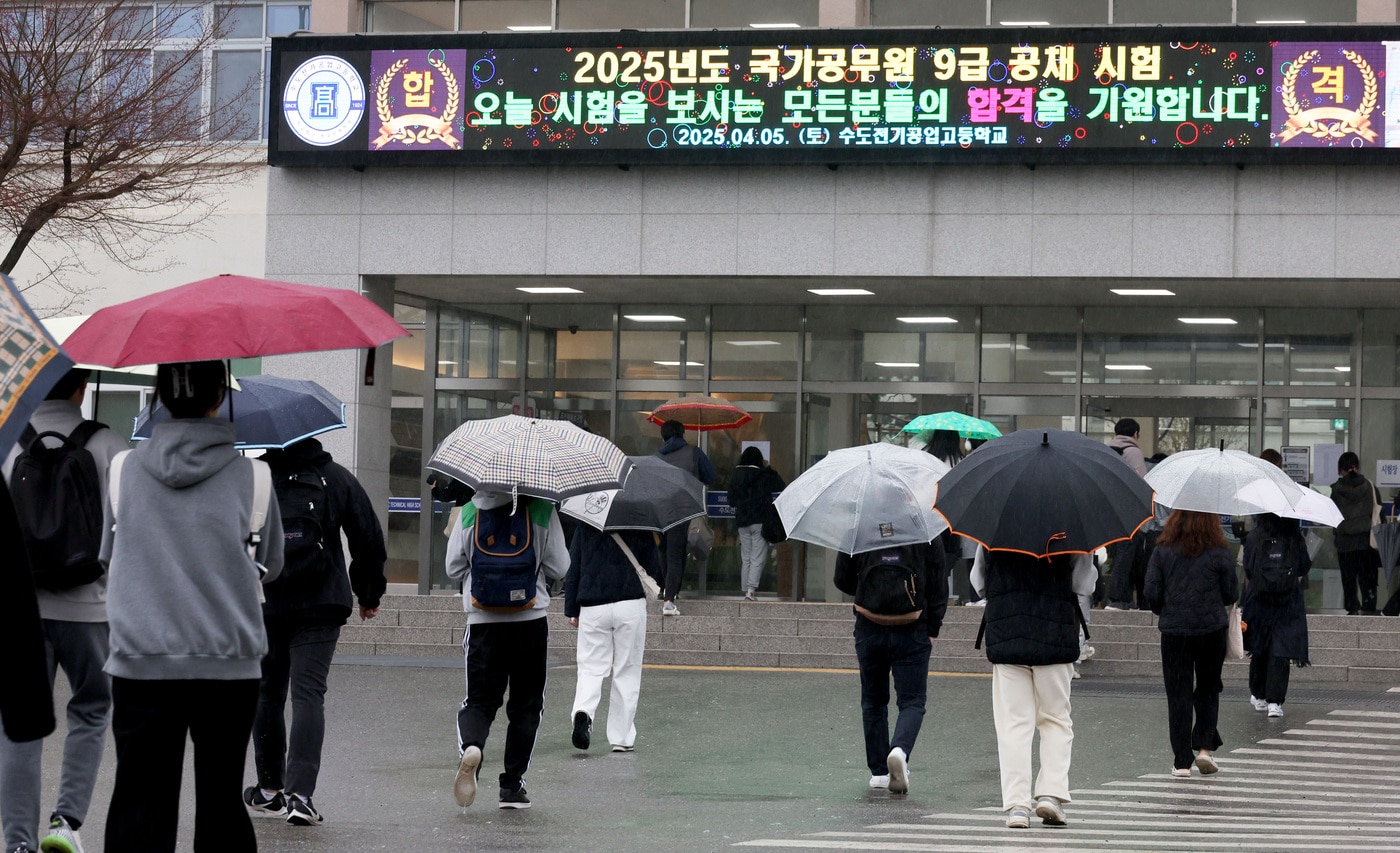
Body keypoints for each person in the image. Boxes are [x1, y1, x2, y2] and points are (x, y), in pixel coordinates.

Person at [100, 360, 284, 852]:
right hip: (229, 663)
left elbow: (106, 557)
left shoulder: (122, 472)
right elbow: (273, 564)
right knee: (222, 801)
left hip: (141, 659)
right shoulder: (255, 478)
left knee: (139, 799)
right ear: (218, 397)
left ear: (159, 396)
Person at [1, 368, 128, 853]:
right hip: (90, 607)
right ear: (82, 388)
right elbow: (126, 530)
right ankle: (65, 823)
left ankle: (17, 842)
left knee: (18, 719)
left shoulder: (8, 442)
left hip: (21, 609)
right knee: (92, 710)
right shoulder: (109, 444)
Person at [243, 437, 388, 826]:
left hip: (264, 600)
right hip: (322, 601)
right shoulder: (334, 477)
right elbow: (367, 537)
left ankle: (270, 789)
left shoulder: (256, 478)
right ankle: (300, 796)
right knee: (309, 693)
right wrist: (368, 592)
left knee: (267, 694)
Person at [449, 490, 568, 810]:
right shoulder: (543, 509)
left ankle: (472, 747)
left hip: (482, 621)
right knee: (527, 705)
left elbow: (452, 567)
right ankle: (512, 786)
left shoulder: (471, 509)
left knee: (479, 701)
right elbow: (560, 566)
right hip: (530, 620)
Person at [972, 547, 1093, 829]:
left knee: (1014, 724)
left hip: (1007, 632)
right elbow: (1083, 584)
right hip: (1054, 632)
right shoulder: (1070, 524)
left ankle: (1017, 805)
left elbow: (979, 583)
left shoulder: (995, 524)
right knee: (1055, 718)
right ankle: (1051, 793)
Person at [833, 539, 948, 796]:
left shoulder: (860, 526)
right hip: (912, 627)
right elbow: (939, 582)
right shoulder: (924, 529)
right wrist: (933, 627)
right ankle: (899, 750)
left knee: (873, 700)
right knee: (912, 701)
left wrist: (871, 589)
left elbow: (842, 580)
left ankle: (878, 772)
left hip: (869, 626)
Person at [1143, 509, 1238, 779]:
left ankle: (1181, 762)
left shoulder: (1162, 551)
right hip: (1211, 630)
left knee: (1178, 694)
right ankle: (1205, 749)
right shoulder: (1219, 551)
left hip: (1175, 632)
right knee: (1208, 688)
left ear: (1176, 519)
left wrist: (1169, 610)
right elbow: (1231, 592)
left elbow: (1151, 592)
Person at [564, 524, 660, 753]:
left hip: (592, 603)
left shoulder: (585, 521)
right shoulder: (639, 520)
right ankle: (621, 737)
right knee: (627, 668)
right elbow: (654, 566)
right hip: (630, 601)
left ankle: (583, 712)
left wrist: (571, 609)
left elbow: (573, 565)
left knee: (590, 667)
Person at [1241, 513, 1311, 718]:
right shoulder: (1293, 536)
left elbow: (1248, 568)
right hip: (1287, 600)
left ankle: (1258, 694)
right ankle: (1275, 701)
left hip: (1260, 601)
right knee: (1280, 649)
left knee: (1260, 647)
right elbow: (1305, 566)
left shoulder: (1254, 537)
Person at [655, 419, 715, 616]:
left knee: (664, 550)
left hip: (660, 511)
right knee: (676, 554)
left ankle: (666, 589)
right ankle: (669, 598)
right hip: (683, 510)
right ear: (682, 434)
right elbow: (710, 476)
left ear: (663, 436)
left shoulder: (657, 456)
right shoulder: (694, 453)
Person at [727, 446, 786, 600]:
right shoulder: (763, 474)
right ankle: (751, 591)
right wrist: (769, 468)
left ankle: (744, 588)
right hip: (760, 520)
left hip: (742, 521)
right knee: (757, 557)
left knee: (746, 556)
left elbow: (731, 501)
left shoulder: (736, 474)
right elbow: (780, 485)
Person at [1104, 418, 1150, 609]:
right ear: (1135, 434)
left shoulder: (1107, 450)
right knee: (1128, 554)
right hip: (1128, 512)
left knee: (1119, 555)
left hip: (1109, 512)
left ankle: (1122, 598)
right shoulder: (1133, 452)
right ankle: (1116, 598)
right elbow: (1142, 482)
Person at [1330, 451, 1382, 615]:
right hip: (1366, 543)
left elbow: (1332, 516)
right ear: (1356, 467)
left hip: (1345, 545)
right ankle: (1369, 614)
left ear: (1341, 469)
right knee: (1368, 585)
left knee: (1349, 583)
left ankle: (1352, 615)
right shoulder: (1370, 487)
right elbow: (1379, 515)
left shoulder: (1336, 490)